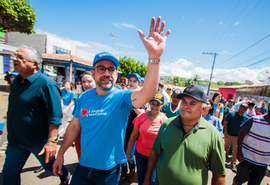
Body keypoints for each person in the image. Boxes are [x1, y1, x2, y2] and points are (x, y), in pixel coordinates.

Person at [53, 16, 170, 185]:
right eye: (101, 68)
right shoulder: (84, 97)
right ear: (93, 73)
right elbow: (74, 126)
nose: (107, 73)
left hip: (108, 171)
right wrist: (60, 154)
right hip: (83, 167)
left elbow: (148, 92)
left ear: (116, 75)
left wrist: (154, 57)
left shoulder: (122, 97)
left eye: (111, 69)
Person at [2, 45, 70, 185]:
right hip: (15, 141)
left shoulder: (47, 84)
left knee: (50, 167)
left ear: (35, 64)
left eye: (21, 57)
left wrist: (51, 142)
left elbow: (54, 116)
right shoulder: (16, 83)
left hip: (37, 141)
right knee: (9, 175)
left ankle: (65, 176)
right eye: (15, 56)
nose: (14, 59)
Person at [144, 84, 226, 185]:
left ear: (203, 109)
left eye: (192, 103)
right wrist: (147, 180)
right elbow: (155, 153)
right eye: (184, 101)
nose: (185, 106)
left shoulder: (213, 135)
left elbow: (219, 175)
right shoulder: (166, 125)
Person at [126, 92, 167, 185]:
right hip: (140, 154)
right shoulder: (141, 117)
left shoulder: (165, 121)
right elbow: (133, 136)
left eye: (157, 104)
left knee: (151, 180)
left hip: (155, 156)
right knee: (141, 177)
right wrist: (128, 153)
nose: (154, 106)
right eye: (152, 103)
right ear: (149, 103)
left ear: (162, 106)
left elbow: (165, 143)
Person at [119, 72, 147, 184]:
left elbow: (142, 114)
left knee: (129, 153)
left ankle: (132, 168)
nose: (131, 83)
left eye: (134, 81)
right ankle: (123, 174)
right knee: (121, 152)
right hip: (123, 129)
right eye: (130, 80)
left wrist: (131, 102)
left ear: (139, 83)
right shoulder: (124, 94)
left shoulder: (142, 97)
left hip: (135, 131)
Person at [232, 104, 270, 185]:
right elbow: (241, 134)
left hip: (263, 163)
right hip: (247, 158)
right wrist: (239, 151)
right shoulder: (255, 119)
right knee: (239, 180)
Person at [74, 71, 96, 160]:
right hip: (80, 134)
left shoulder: (104, 97)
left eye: (89, 81)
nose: (86, 84)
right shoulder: (80, 98)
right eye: (83, 82)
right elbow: (75, 120)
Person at [223, 103, 249, 172]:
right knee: (225, 147)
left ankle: (233, 164)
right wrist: (225, 132)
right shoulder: (231, 114)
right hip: (229, 135)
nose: (242, 109)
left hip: (238, 137)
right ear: (239, 107)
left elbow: (246, 128)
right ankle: (223, 159)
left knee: (236, 150)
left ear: (246, 110)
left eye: (244, 109)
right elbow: (225, 122)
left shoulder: (246, 118)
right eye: (241, 107)